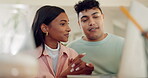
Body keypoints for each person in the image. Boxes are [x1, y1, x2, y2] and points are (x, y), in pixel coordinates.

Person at [31, 5, 94, 78]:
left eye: (68, 24)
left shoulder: (72, 54)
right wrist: (64, 76)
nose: (69, 29)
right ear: (45, 28)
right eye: (62, 24)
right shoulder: (28, 57)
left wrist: (84, 74)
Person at [67, 0, 124, 75]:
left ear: (102, 18)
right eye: (84, 20)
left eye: (96, 17)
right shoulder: (70, 49)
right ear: (79, 24)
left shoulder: (123, 44)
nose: (92, 23)